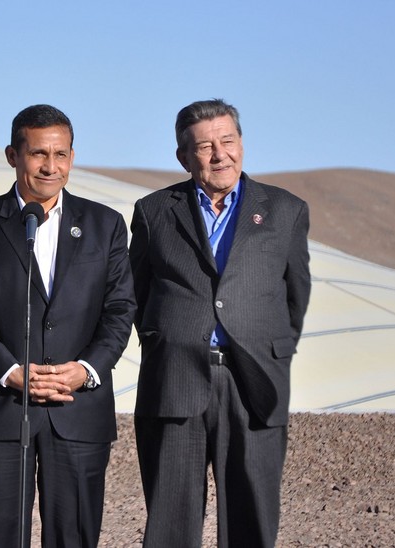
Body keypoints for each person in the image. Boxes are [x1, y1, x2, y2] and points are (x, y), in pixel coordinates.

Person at [0, 104, 136, 547]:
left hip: (77, 407)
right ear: (13, 155)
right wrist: (10, 372)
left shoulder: (104, 225)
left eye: (61, 154)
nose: (51, 167)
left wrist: (86, 369)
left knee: (74, 536)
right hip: (1, 407)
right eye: (38, 154)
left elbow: (120, 308)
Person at [129, 98, 311, 547]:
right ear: (183, 157)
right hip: (174, 379)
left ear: (242, 144)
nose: (219, 154)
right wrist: (162, 340)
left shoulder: (285, 210)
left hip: (254, 380)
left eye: (227, 140)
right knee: (170, 521)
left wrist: (272, 350)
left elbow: (295, 296)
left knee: (252, 515)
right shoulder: (154, 212)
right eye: (204, 145)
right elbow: (135, 293)